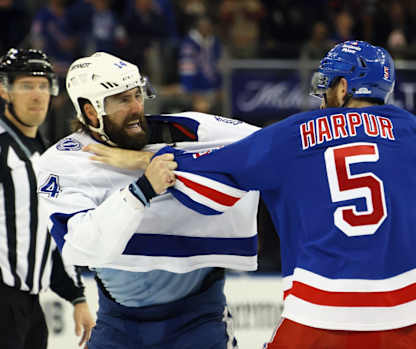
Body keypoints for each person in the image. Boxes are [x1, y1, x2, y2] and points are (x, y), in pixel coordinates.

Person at [157, 40, 416, 348]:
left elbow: (217, 167)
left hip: (320, 318)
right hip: (408, 322)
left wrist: (151, 161)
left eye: (327, 85)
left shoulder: (297, 132)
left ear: (344, 87)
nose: (322, 99)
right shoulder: (413, 131)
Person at [36, 51, 260, 349]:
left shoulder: (189, 129)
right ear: (91, 112)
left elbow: (265, 149)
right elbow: (83, 248)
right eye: (121, 100)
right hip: (117, 325)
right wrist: (142, 190)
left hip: (198, 321)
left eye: (137, 95)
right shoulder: (65, 161)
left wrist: (144, 160)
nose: (136, 108)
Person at [0, 48, 94, 349]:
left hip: (30, 306)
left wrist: (77, 296)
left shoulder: (45, 154)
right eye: (27, 85)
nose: (37, 95)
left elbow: (49, 234)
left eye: (43, 86)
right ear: (5, 90)